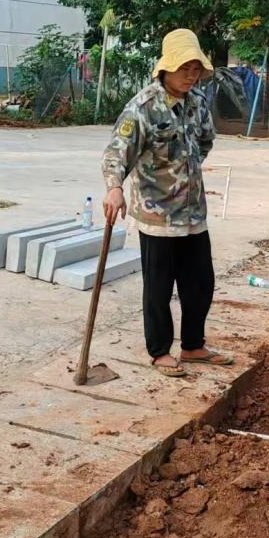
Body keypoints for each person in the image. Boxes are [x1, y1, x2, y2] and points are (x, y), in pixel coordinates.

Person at [101, 28, 233, 377]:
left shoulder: (198, 103)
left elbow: (205, 142)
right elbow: (117, 153)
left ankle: (192, 346)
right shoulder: (143, 107)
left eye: (195, 69)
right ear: (166, 68)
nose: (191, 76)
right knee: (159, 287)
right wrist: (115, 188)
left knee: (201, 282)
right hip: (156, 215)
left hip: (192, 212)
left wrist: (183, 172)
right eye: (184, 69)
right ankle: (159, 350)